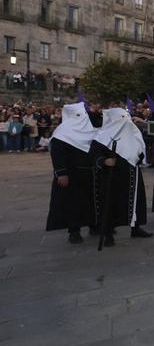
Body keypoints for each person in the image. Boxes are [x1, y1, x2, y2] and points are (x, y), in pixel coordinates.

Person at [90, 107, 153, 247]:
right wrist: (104, 161)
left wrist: (138, 157)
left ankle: (135, 228)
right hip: (111, 177)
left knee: (135, 201)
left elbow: (141, 149)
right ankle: (108, 233)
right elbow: (94, 154)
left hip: (131, 175)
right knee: (110, 203)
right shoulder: (102, 136)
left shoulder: (133, 132)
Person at [46, 103, 99, 244]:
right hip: (72, 175)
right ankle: (74, 231)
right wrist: (61, 173)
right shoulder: (62, 133)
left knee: (91, 202)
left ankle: (93, 225)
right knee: (72, 204)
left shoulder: (89, 129)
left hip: (89, 173)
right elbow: (57, 155)